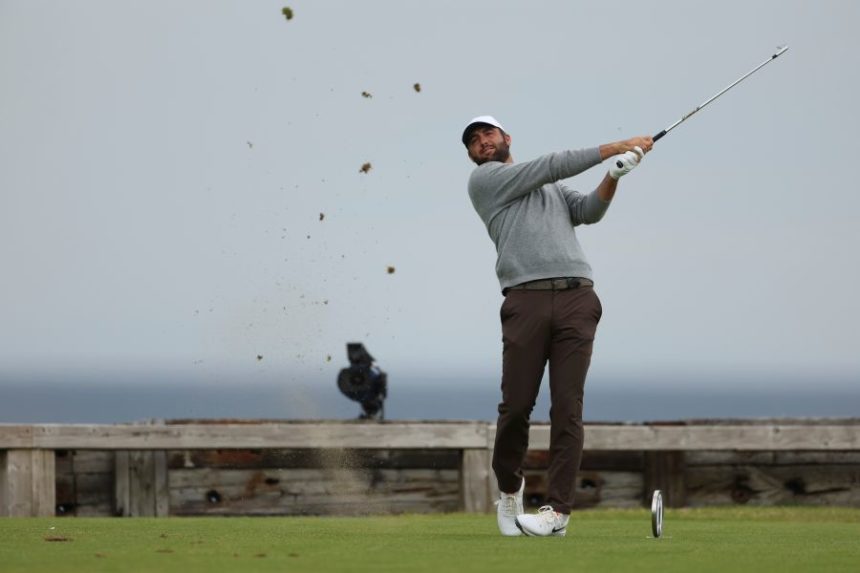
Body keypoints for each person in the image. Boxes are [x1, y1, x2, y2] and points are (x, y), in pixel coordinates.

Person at [463, 116, 653, 537]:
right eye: (474, 141)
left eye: (488, 134)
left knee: (568, 407)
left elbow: (588, 211)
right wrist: (619, 144)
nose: (482, 143)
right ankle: (510, 490)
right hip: (525, 299)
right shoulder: (486, 183)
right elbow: (552, 164)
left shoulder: (548, 187)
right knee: (515, 408)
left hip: (576, 297)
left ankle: (558, 513)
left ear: (506, 138)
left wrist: (613, 176)